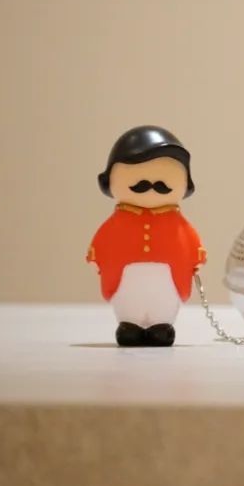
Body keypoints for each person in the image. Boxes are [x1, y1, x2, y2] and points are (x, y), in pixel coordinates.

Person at [87, 126, 205, 347]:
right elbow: (102, 242)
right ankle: (129, 325)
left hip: (169, 274)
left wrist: (195, 259)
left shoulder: (179, 224)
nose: (151, 186)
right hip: (125, 273)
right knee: (129, 299)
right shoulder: (116, 223)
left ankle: (161, 325)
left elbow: (191, 242)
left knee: (163, 300)